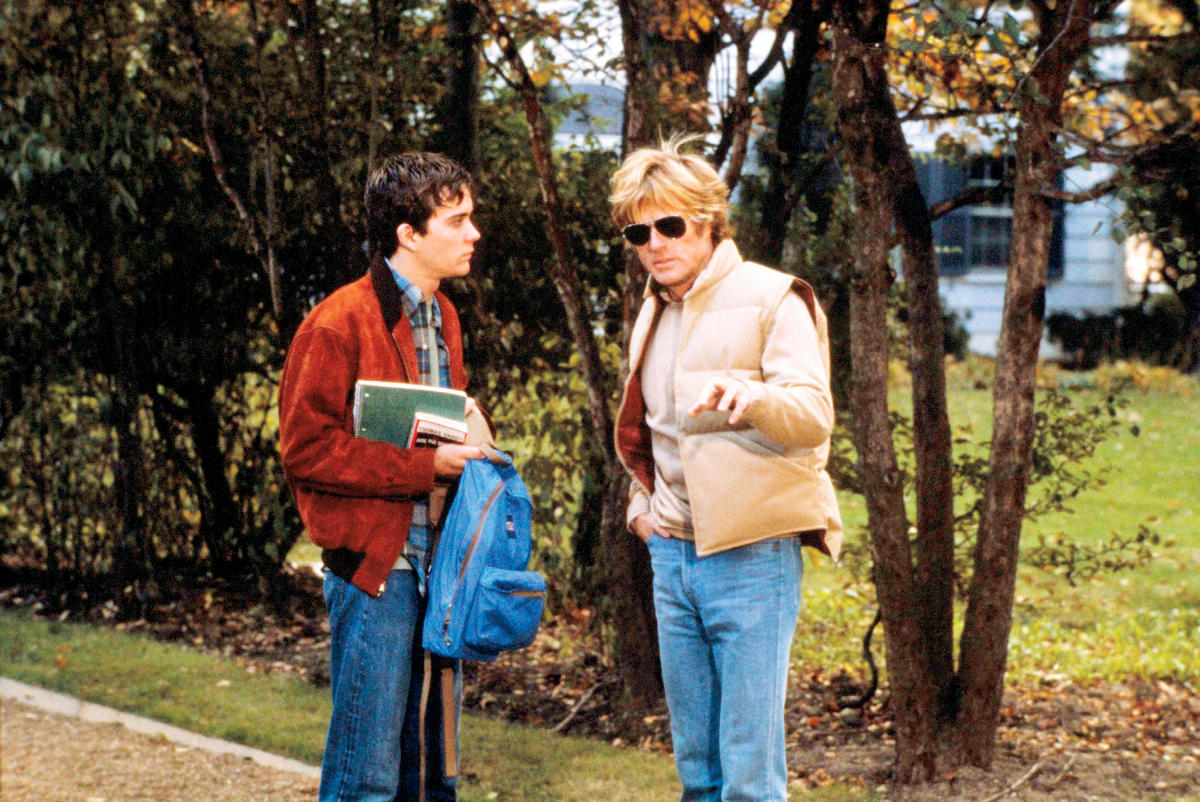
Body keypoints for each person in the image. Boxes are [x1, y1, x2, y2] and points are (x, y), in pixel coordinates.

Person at [610, 136, 843, 802]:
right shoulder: (653, 311)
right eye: (638, 233)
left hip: (751, 560)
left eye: (670, 225)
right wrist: (640, 510)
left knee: (748, 778)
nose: (655, 243)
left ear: (709, 220)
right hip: (672, 558)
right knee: (698, 771)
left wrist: (755, 397)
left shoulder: (775, 297)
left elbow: (814, 416)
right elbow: (652, 431)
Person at [278, 152, 491, 802]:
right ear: (408, 234)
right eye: (456, 220)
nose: (473, 233)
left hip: (440, 566)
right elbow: (306, 450)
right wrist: (425, 467)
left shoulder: (443, 315)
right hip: (378, 567)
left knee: (428, 773)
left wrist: (472, 435)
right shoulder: (337, 321)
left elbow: (437, 419)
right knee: (365, 775)